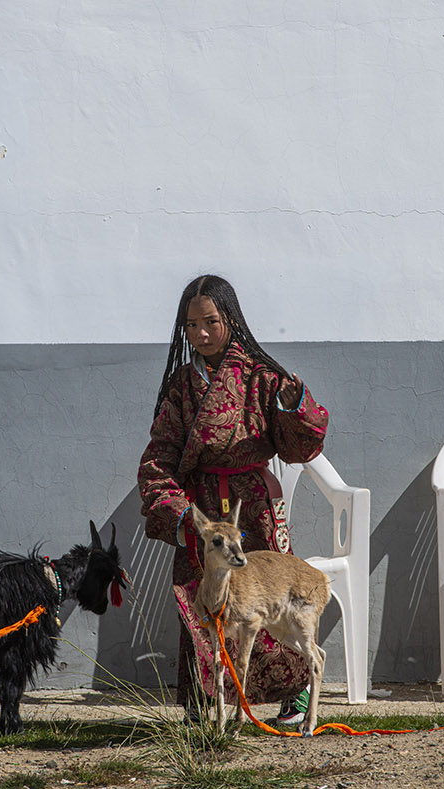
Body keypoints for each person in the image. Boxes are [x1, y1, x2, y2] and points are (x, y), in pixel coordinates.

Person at [137, 274, 328, 725]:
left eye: (211, 322)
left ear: (231, 319)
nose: (201, 334)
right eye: (191, 326)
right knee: (203, 605)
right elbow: (158, 457)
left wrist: (295, 407)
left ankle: (294, 696)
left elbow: (300, 448)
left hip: (254, 506)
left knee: (274, 599)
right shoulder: (182, 386)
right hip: (201, 510)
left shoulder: (263, 377)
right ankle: (210, 704)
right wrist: (181, 511)